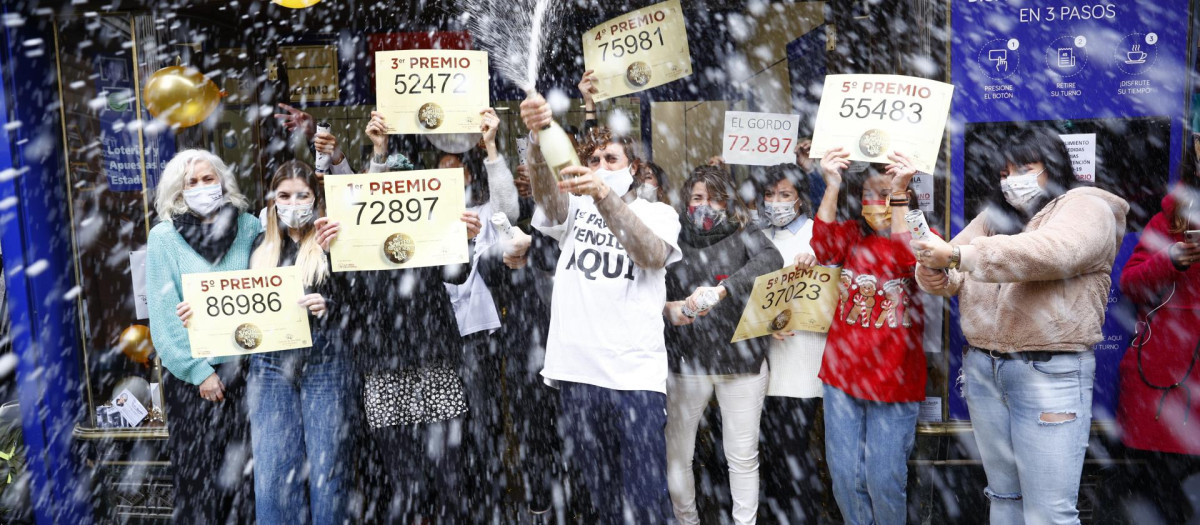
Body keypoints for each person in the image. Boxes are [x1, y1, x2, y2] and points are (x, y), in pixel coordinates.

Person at [912, 128, 1128, 524]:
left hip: (1048, 373)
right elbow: (952, 268)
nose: (1013, 180)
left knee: (1049, 514)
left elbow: (1053, 253)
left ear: (1055, 166)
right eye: (1006, 171)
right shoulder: (994, 217)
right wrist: (933, 270)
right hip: (984, 370)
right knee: (1004, 498)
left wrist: (958, 255)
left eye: (1026, 168)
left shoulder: (1087, 206)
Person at [519, 93, 681, 523]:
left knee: (646, 499)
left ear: (634, 169)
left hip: (635, 376)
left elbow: (649, 254)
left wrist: (606, 197)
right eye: (593, 160)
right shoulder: (575, 207)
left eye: (612, 159)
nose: (601, 166)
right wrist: (537, 140)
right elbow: (546, 197)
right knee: (602, 497)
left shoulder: (659, 212)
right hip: (578, 372)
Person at [314, 111, 480, 522]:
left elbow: (454, 274)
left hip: (434, 362)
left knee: (452, 481)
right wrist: (331, 254)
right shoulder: (352, 239)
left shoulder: (429, 229)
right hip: (382, 369)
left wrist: (465, 240)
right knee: (405, 484)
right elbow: (343, 301)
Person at [809, 148, 927, 525]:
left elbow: (908, 256)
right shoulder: (849, 236)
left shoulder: (922, 233)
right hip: (842, 375)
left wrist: (899, 194)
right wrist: (832, 185)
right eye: (870, 194)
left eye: (887, 193)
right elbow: (823, 247)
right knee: (845, 478)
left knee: (884, 480)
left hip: (895, 380)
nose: (878, 201)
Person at [661, 165, 783, 524]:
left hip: (741, 360)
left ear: (727, 202)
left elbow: (771, 259)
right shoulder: (673, 235)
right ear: (686, 202)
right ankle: (687, 520)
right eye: (697, 198)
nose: (705, 206)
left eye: (714, 198)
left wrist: (725, 287)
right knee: (677, 455)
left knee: (742, 456)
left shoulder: (744, 230)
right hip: (688, 362)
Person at [146, 149, 259, 524]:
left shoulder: (250, 226)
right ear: (178, 191)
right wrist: (200, 372)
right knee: (200, 482)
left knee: (248, 480)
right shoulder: (163, 238)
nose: (200, 187)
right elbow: (163, 318)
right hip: (194, 382)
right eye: (191, 182)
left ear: (223, 181)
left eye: (208, 179)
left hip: (247, 374)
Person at [240, 161, 354, 523]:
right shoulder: (260, 245)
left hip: (325, 360)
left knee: (329, 470)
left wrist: (329, 305)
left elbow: (360, 302)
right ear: (273, 200)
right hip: (270, 364)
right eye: (285, 195)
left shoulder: (333, 239)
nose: (293, 203)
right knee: (273, 474)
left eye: (302, 195)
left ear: (315, 198)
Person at [1114, 145, 1200, 522]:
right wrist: (1170, 260)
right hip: (1163, 383)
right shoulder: (1171, 218)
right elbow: (1130, 283)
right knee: (1161, 501)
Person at [753, 163, 835, 522]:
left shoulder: (818, 236)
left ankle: (799, 516)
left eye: (784, 195)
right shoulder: (756, 235)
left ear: (800, 199)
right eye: (769, 195)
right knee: (770, 455)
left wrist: (817, 264)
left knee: (794, 453)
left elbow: (833, 290)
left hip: (803, 361)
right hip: (761, 362)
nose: (776, 202)